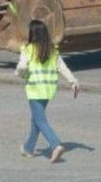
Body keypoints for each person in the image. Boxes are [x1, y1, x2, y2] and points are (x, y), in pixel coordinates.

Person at [16, 18, 79, 163]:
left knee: (40, 120)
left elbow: (21, 68)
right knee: (36, 120)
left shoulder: (28, 49)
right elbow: (62, 68)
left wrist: (19, 72)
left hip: (34, 90)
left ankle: (55, 144)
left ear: (32, 34)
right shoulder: (52, 51)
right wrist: (73, 81)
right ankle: (28, 148)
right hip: (48, 91)